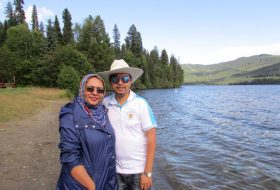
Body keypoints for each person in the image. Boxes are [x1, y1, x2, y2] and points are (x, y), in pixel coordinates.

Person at [98, 59, 157, 190]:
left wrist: (147, 172)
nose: (120, 83)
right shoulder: (104, 104)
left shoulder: (141, 104)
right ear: (110, 82)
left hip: (139, 170)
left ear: (130, 81)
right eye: (115, 79)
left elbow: (151, 138)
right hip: (114, 169)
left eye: (124, 78)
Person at [56, 74, 118, 190]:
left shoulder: (103, 112)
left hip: (106, 181)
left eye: (100, 90)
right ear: (82, 89)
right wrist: (91, 186)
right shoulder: (70, 114)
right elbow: (70, 158)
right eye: (90, 89)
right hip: (81, 185)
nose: (95, 93)